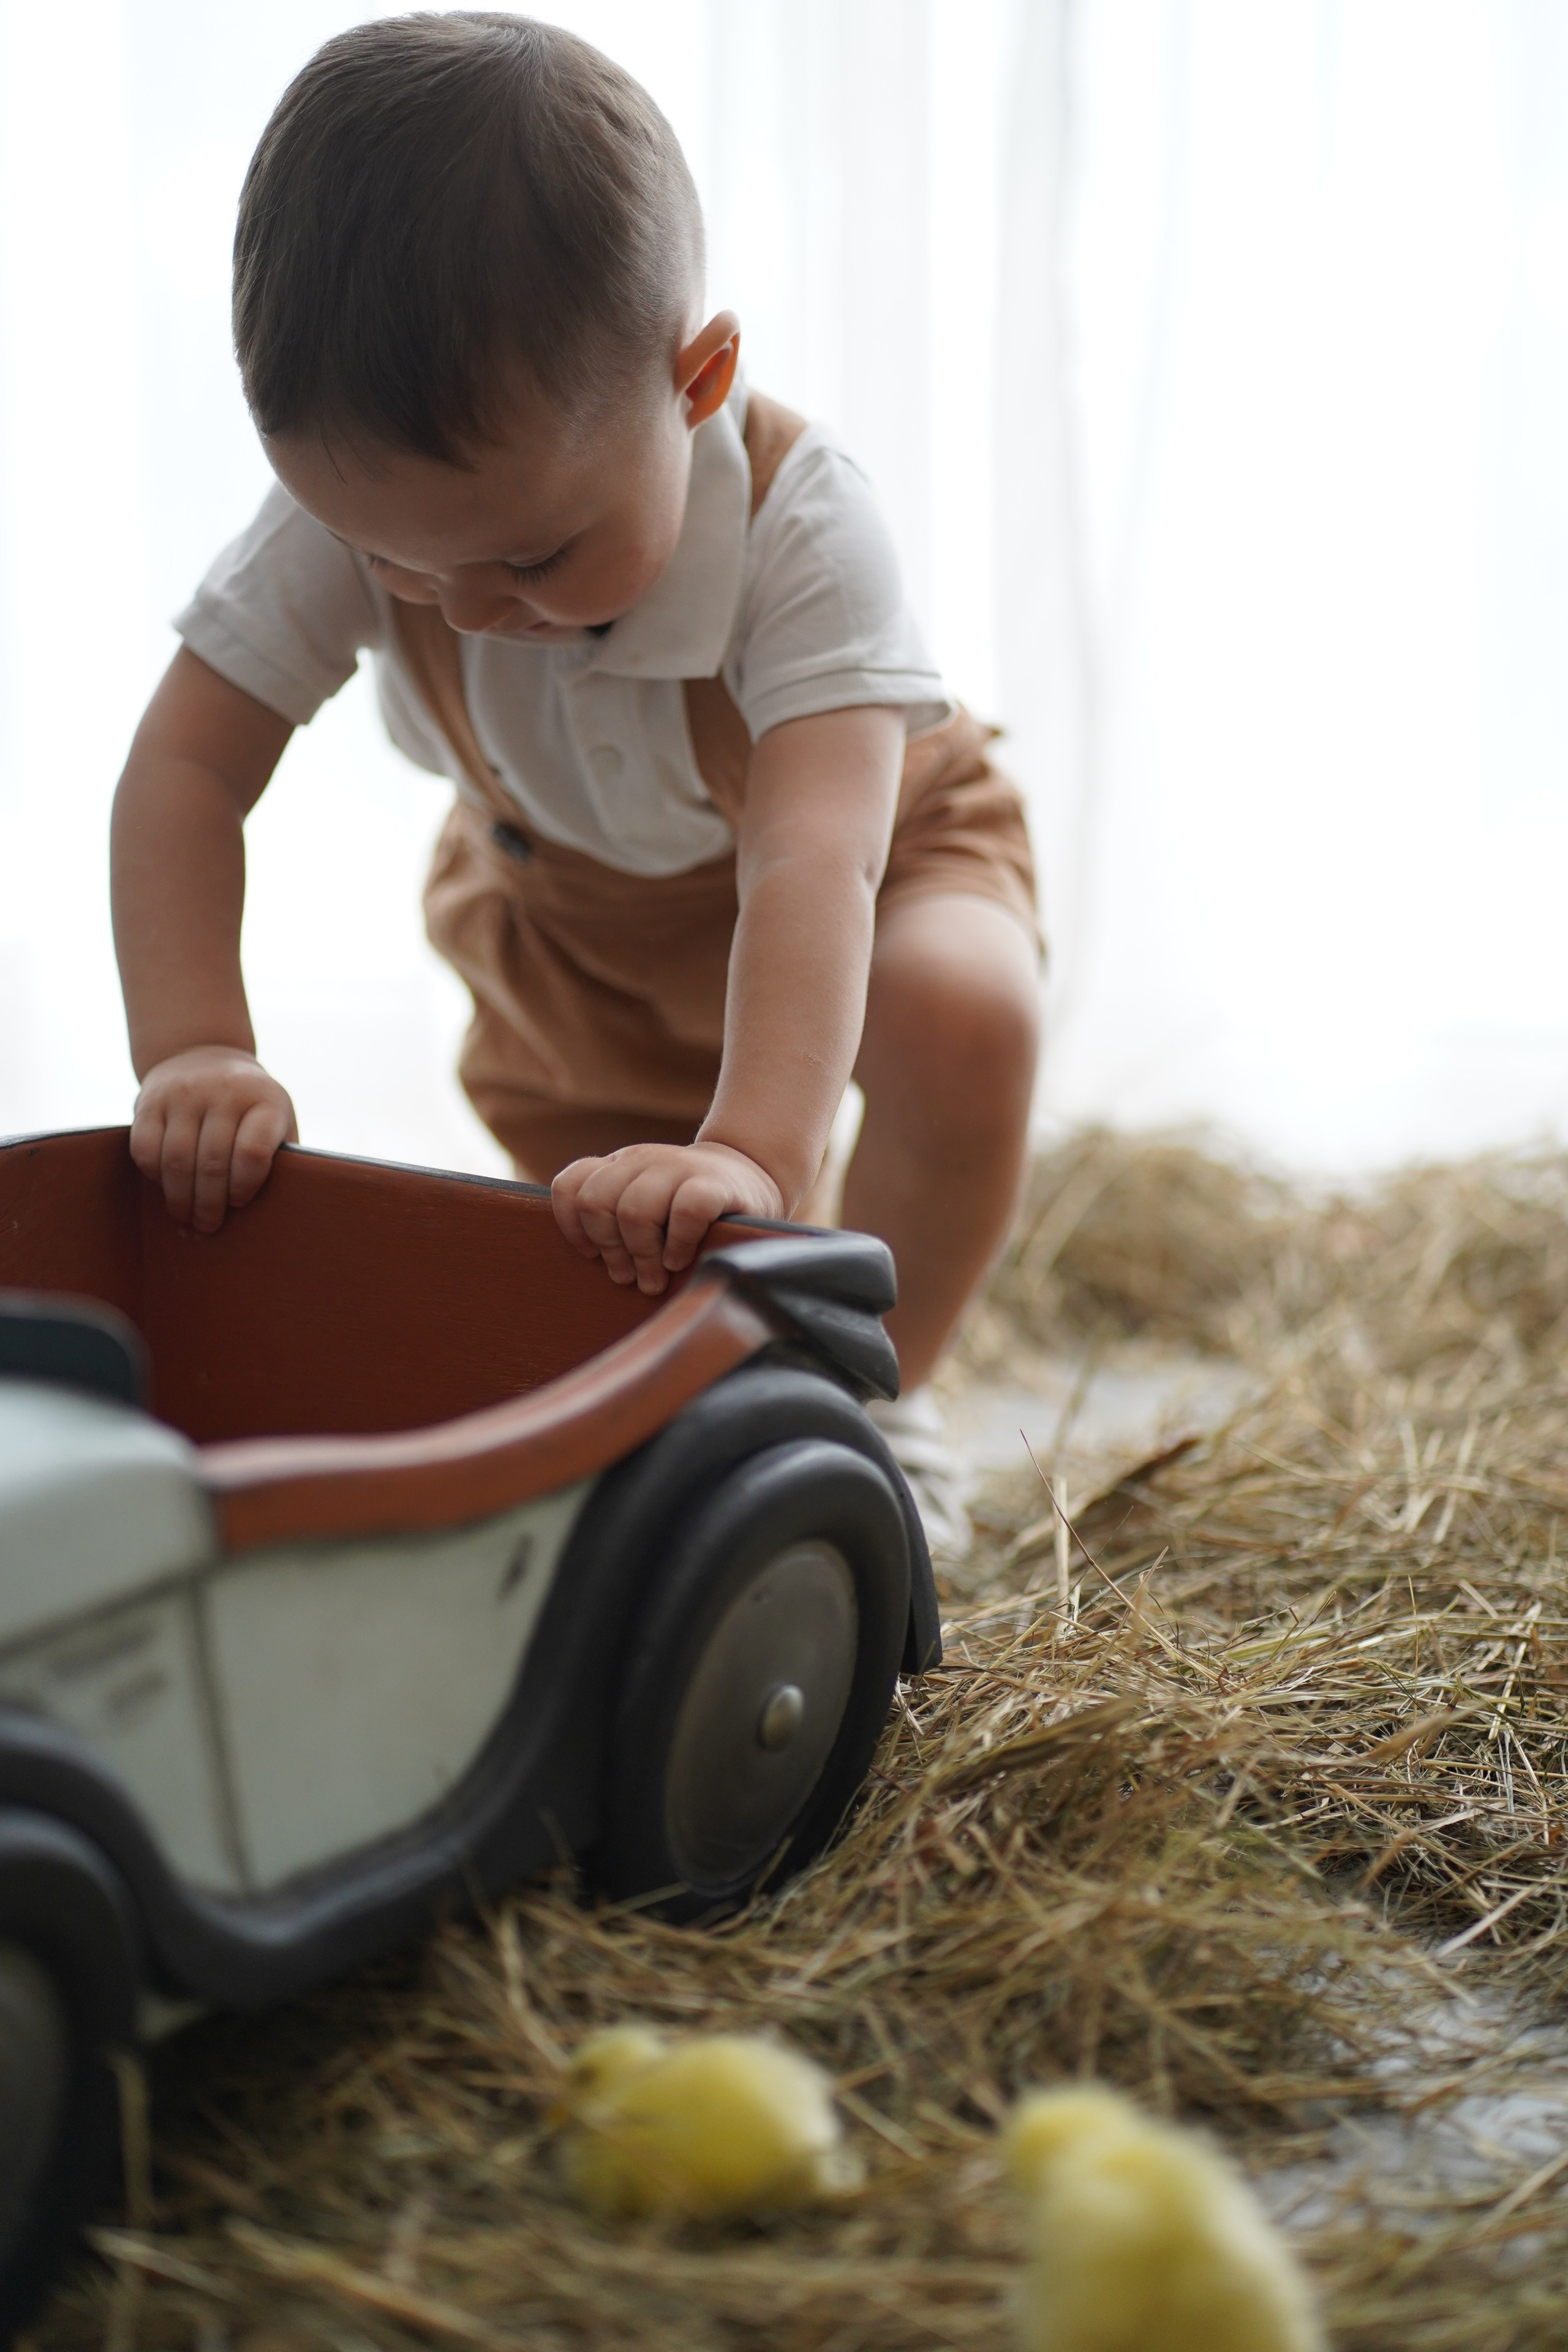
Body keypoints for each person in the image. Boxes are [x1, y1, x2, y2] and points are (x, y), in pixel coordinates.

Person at [109, 13, 1041, 1555]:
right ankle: (684, 1410)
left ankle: (873, 1398)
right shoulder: (387, 516)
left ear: (699, 378)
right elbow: (183, 770)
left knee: (960, 1017)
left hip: (870, 864)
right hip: (569, 912)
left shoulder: (808, 537)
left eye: (531, 556)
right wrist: (195, 1046)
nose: (461, 607)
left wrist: (757, 1150)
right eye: (403, 560)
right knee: (622, 1241)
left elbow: (814, 865)